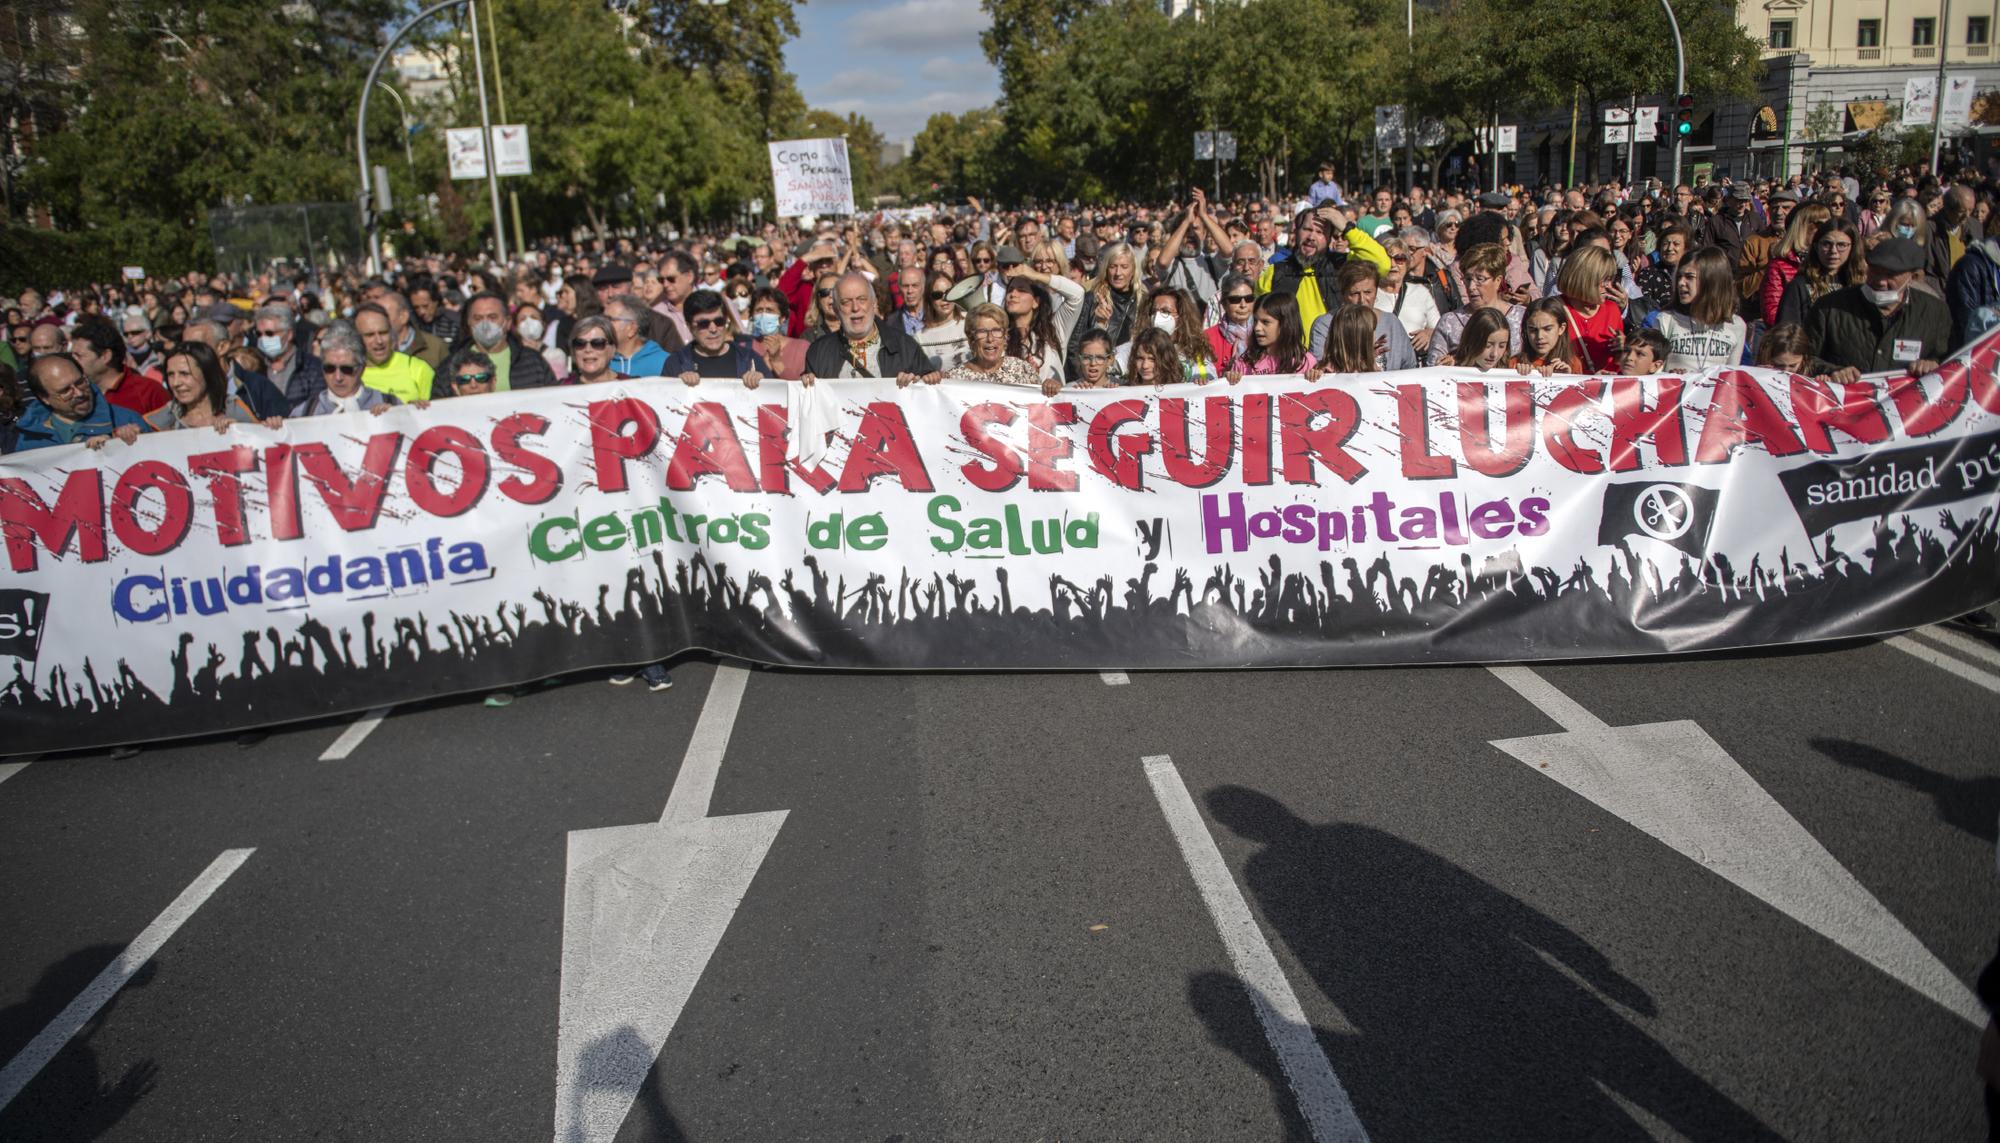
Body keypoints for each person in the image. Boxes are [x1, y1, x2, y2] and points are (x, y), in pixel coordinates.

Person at [1805, 236, 1952, 381]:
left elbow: (1952, 363)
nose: (1880, 281)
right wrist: (1833, 371)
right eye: (1875, 271)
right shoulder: (1829, 308)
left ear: (1912, 276)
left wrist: (1934, 365)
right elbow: (1804, 359)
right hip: (1846, 400)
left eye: (1890, 275)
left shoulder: (1935, 312)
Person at [1259, 204, 1389, 346]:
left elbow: (1382, 264)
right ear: (1296, 231)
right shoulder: (1274, 273)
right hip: (1288, 362)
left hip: (1335, 358)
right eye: (1307, 229)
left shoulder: (1342, 266)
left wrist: (1347, 228)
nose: (1311, 237)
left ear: (1329, 239)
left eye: (1320, 232)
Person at [802, 272, 941, 383]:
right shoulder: (818, 352)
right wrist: (807, 385)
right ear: (837, 310)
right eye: (846, 302)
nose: (855, 308)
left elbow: (928, 399)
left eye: (862, 299)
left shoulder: (905, 346)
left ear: (874, 304)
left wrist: (925, 380)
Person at [13, 351, 149, 450]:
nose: (78, 393)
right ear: (45, 398)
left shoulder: (125, 419)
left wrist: (130, 443)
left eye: (80, 382)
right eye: (65, 391)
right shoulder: (30, 438)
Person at [1643, 247, 1748, 372]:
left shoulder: (1736, 325)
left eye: (1689, 277)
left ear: (1711, 280)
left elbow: (1731, 377)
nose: (1681, 283)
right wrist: (1670, 377)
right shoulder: (1666, 320)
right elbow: (1652, 375)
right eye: (1679, 276)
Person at [144, 341, 281, 431]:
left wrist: (273, 427)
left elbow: (263, 446)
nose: (176, 383)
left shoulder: (234, 409)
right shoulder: (162, 420)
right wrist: (130, 435)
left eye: (185, 374)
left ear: (207, 374)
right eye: (171, 375)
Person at [1427, 244, 1522, 365]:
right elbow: (1433, 368)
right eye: (1468, 279)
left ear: (1497, 281)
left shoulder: (1521, 318)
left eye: (1480, 279)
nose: (1471, 287)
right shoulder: (1450, 322)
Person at [1311, 262, 1415, 371]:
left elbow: (1409, 367)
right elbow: (1320, 369)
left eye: (1368, 292)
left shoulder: (1392, 323)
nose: (1362, 300)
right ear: (1343, 294)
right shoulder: (1324, 325)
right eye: (1355, 293)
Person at [663, 290, 771, 386]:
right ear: (690, 326)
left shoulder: (749, 359)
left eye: (719, 321)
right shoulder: (676, 363)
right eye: (703, 323)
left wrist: (763, 384)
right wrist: (677, 386)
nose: (713, 329)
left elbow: (773, 399)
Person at [944, 302, 1055, 394]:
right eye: (982, 331)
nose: (990, 339)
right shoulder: (954, 378)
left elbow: (1041, 410)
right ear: (971, 337)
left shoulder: (1022, 368)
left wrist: (1052, 388)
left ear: (1005, 336)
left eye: (997, 330)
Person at [292, 323, 401, 417]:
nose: (338, 377)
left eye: (347, 369)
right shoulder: (304, 413)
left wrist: (396, 417)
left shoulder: (390, 403)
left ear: (361, 369)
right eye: (329, 369)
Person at [456, 292, 558, 392]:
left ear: (508, 323)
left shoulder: (532, 361)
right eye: (478, 318)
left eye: (492, 317)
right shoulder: (451, 366)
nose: (485, 324)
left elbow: (552, 399)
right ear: (468, 323)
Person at [69, 315, 168, 416]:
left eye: (78, 356)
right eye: (71, 355)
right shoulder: (73, 393)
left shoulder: (149, 392)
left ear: (105, 356)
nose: (72, 361)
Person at [1776, 217, 1863, 329]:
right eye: (1826, 244)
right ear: (1816, 247)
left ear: (1852, 247)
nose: (1833, 251)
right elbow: (1786, 332)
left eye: (1841, 245)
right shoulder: (1799, 286)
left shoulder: (1861, 285)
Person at [1756, 203, 1831, 328]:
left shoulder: (1832, 263)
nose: (1826, 230)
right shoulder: (1779, 266)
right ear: (1801, 227)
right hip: (1795, 340)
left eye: (1829, 224)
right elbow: (1772, 315)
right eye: (1819, 224)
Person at [1554, 245, 1625, 372]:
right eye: (1605, 280)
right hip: (1567, 386)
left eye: (1611, 279)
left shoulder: (1612, 310)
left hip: (1606, 387)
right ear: (1585, 279)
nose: (1609, 286)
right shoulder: (1555, 309)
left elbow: (1618, 362)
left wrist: (1624, 349)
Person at [354, 302, 435, 405]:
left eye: (383, 333)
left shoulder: (418, 368)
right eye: (370, 335)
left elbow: (435, 414)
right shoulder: (348, 374)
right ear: (356, 338)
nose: (379, 341)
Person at [1228, 293, 1321, 379]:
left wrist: (1315, 377)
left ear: (1285, 324)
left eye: (1265, 322)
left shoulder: (1306, 362)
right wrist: (1231, 378)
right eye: (1255, 321)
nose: (1257, 328)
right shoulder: (1245, 363)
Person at [1375, 235, 1441, 357]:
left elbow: (1440, 328)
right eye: (1386, 259)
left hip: (1413, 365)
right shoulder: (1370, 294)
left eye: (1399, 259)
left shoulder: (1421, 292)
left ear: (1407, 263)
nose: (1393, 264)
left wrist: (1429, 333)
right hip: (1380, 364)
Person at [747, 288, 813, 380]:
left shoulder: (802, 347)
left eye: (769, 310)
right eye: (759, 310)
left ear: (782, 318)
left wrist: (776, 360)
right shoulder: (745, 346)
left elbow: (801, 387)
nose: (763, 315)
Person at [1928, 184, 1985, 285]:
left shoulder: (1975, 227)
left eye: (1970, 210)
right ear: (1948, 209)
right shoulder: (1929, 230)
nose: (1967, 215)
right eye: (1962, 211)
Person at [605, 294, 670, 376]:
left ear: (632, 328)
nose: (602, 324)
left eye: (610, 319)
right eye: (602, 318)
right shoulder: (599, 362)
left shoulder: (664, 363)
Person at [382, 291, 447, 370]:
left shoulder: (435, 346)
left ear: (403, 316)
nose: (377, 321)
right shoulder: (374, 349)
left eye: (384, 315)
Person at [1205, 274, 1258, 371]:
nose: (1243, 305)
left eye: (1249, 298)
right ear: (1224, 304)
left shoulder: (1263, 333)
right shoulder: (1207, 338)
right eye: (1235, 300)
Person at [1514, 297, 1576, 374]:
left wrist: (1566, 378)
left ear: (1561, 328)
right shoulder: (1515, 364)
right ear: (1526, 329)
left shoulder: (1572, 364)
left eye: (1547, 329)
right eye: (1533, 329)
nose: (1539, 336)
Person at [1316, 304, 1380, 374]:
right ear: (1361, 339)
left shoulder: (1371, 366)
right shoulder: (1326, 370)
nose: (1375, 336)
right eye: (1373, 331)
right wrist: (1313, 375)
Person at [1754, 322, 1828, 377]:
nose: (1786, 371)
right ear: (1768, 357)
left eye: (1792, 366)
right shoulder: (1758, 373)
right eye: (1779, 365)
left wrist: (1824, 383)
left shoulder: (1814, 373)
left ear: (1803, 360)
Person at [567, 316, 626, 385]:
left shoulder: (633, 386)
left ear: (613, 349)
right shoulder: (560, 390)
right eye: (580, 343)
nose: (588, 349)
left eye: (598, 343)